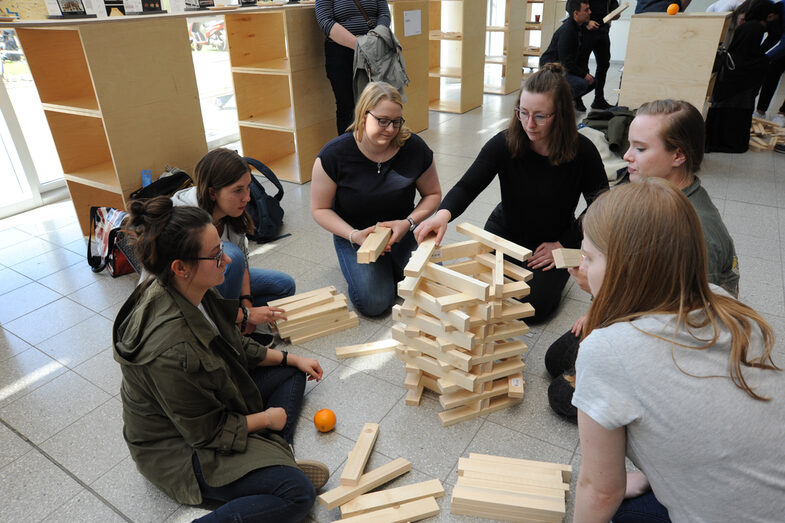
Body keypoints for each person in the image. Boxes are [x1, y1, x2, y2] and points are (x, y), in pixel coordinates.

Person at [571, 178, 784, 522]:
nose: (582, 266)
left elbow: (600, 490)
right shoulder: (725, 302)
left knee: (623, 514)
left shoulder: (606, 350)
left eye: (589, 256)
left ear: (625, 269)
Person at [113, 197, 328, 523]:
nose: (227, 259)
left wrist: (292, 358)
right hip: (181, 450)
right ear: (180, 267)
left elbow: (235, 345)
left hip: (211, 403)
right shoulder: (171, 351)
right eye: (216, 255)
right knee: (298, 494)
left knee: (291, 373)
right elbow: (206, 433)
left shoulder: (191, 288)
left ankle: (270, 462)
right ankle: (273, 466)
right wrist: (268, 420)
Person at [546, 99, 740, 420]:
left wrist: (603, 295)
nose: (626, 157)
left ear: (678, 155)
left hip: (677, 346)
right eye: (629, 146)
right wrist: (597, 307)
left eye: (640, 148)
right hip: (634, 310)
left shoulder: (698, 232)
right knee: (556, 360)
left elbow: (682, 328)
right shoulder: (649, 190)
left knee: (562, 394)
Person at [415, 64, 608, 324]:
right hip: (505, 230)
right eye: (523, 113)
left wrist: (564, 243)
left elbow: (600, 204)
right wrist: (443, 215)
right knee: (485, 290)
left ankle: (556, 276)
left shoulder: (582, 151)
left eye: (541, 116)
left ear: (560, 115)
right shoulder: (505, 142)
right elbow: (467, 186)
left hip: (554, 241)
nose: (529, 124)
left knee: (533, 308)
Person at [311, 81, 441, 316]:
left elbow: (433, 194)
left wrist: (409, 223)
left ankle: (391, 265)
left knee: (435, 284)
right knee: (375, 302)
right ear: (363, 116)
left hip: (403, 228)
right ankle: (378, 267)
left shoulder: (414, 148)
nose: (390, 129)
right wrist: (354, 235)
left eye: (396, 121)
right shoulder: (333, 155)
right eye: (382, 120)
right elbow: (320, 209)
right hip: (355, 233)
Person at [172, 148, 295, 347]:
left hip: (219, 278)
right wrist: (244, 315)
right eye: (238, 190)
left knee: (285, 286)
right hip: (192, 297)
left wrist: (246, 303)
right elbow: (188, 292)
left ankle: (235, 320)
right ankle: (227, 332)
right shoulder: (186, 220)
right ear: (212, 192)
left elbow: (243, 264)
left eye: (248, 188)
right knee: (231, 256)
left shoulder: (231, 212)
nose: (247, 197)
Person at [315, 0, 391, 134]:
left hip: (374, 50)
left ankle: (377, 146)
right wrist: (360, 45)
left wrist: (373, 40)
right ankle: (348, 150)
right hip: (341, 53)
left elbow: (384, 14)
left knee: (377, 102)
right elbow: (325, 21)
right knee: (347, 106)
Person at [540, 0, 595, 111]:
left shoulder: (579, 27)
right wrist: (583, 74)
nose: (590, 12)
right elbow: (566, 61)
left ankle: (565, 100)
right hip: (552, 69)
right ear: (576, 13)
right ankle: (555, 101)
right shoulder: (568, 30)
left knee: (593, 82)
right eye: (586, 10)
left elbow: (579, 57)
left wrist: (584, 73)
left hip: (563, 66)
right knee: (582, 84)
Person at [580, 0, 620, 110]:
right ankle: (577, 99)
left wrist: (616, 14)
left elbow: (614, 8)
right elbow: (571, 7)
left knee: (604, 64)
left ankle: (599, 99)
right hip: (585, 31)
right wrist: (586, 23)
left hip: (603, 30)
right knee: (582, 65)